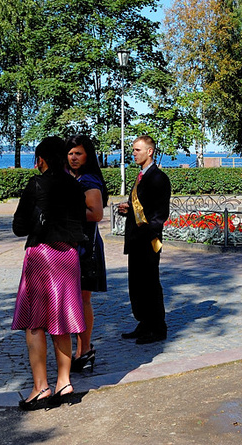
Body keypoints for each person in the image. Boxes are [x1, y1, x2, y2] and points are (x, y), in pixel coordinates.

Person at [11, 136, 88, 410]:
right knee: (62, 320)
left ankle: (40, 387)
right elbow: (82, 223)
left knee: (36, 323)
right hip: (68, 256)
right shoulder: (76, 186)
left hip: (41, 254)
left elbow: (19, 227)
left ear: (41, 159)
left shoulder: (36, 184)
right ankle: (64, 382)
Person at [117, 135, 172, 344]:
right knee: (137, 284)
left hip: (148, 241)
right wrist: (128, 210)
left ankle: (157, 328)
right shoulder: (141, 176)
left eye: (137, 150)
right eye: (133, 150)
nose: (133, 153)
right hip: (136, 239)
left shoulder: (158, 178)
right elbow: (142, 207)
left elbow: (159, 214)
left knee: (150, 284)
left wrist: (148, 234)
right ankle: (144, 323)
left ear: (150, 151)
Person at [65, 135, 108, 372]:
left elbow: (97, 214)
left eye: (78, 153)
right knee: (75, 299)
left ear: (87, 156)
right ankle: (81, 348)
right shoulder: (72, 177)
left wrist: (65, 211)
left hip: (86, 245)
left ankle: (84, 349)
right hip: (72, 243)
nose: (73, 157)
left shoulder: (89, 180)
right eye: (70, 153)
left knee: (83, 299)